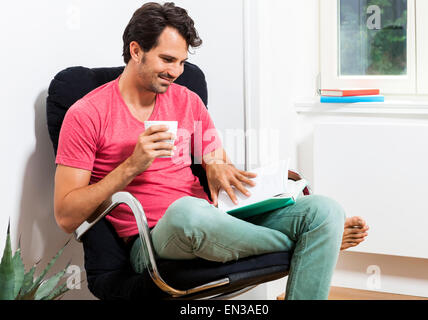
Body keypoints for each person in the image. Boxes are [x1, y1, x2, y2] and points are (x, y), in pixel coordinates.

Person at [53, 2, 369, 300]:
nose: (175, 71)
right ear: (136, 50)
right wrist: (131, 166)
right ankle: (314, 244)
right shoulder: (87, 114)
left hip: (216, 222)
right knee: (186, 213)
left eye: (181, 62)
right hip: (153, 239)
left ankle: (317, 237)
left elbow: (217, 160)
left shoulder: (187, 100)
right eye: (167, 60)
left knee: (324, 210)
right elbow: (66, 215)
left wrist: (216, 164)